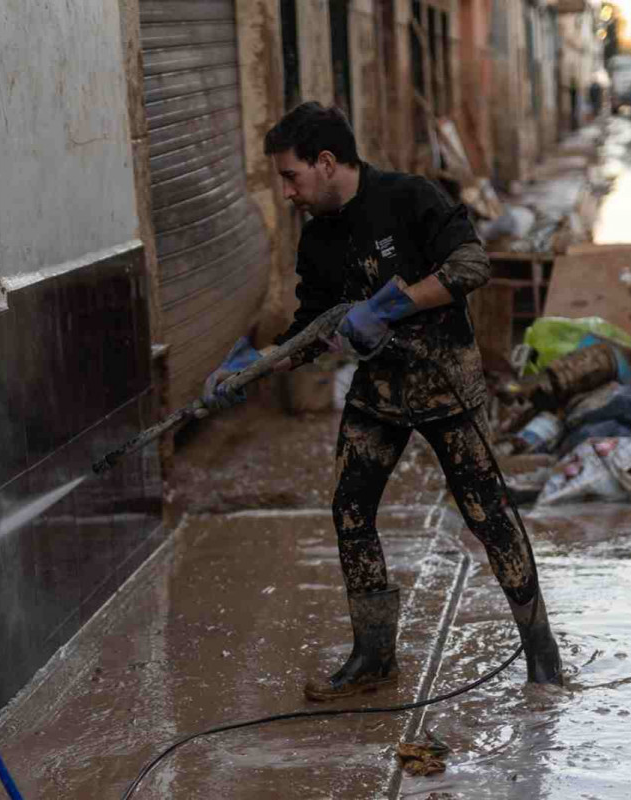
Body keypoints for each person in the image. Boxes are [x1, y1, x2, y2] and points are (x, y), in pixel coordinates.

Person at [201, 102, 564, 700]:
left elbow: (472, 263)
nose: (287, 192)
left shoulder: (409, 196)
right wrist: (252, 367)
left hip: (446, 383)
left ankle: (540, 650)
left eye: (290, 176)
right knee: (350, 508)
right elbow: (313, 328)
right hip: (378, 393)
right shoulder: (317, 238)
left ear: (325, 162)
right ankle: (373, 656)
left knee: (487, 516)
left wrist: (392, 305)